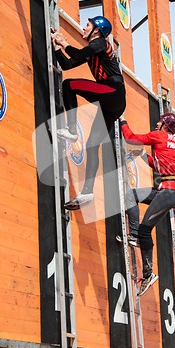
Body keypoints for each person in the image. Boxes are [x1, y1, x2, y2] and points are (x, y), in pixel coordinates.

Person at [51, 16, 126, 210]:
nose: (84, 28)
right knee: (92, 145)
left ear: (97, 30)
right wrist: (58, 48)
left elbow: (77, 54)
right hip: (113, 103)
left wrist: (64, 42)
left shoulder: (100, 43)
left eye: (88, 25)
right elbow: (68, 64)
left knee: (69, 85)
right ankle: (87, 192)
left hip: (113, 93)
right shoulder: (93, 51)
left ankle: (72, 129)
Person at [119, 112, 175, 296]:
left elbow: (131, 138)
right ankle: (135, 236)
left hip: (168, 191)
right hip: (171, 189)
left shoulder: (159, 135)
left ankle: (148, 273)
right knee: (130, 196)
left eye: (160, 121)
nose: (157, 123)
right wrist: (141, 156)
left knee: (145, 230)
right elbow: (158, 164)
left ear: (165, 125)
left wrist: (123, 121)